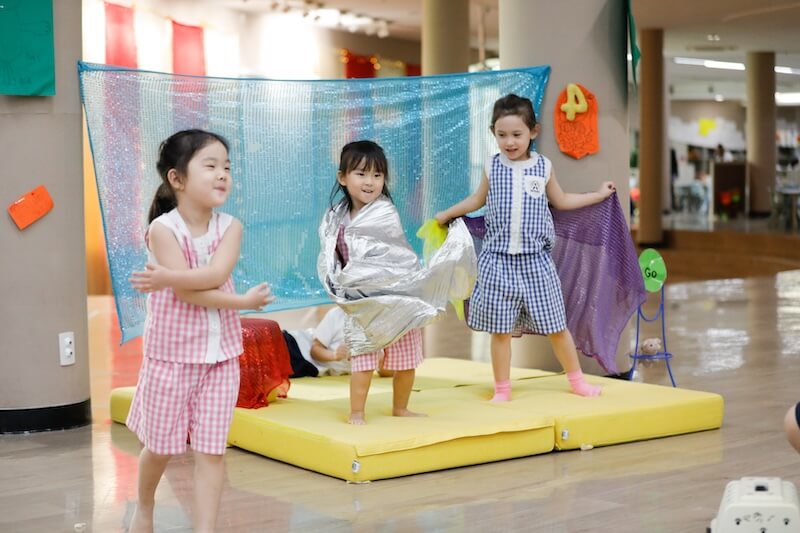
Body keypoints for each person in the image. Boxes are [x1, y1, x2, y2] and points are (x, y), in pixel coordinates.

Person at [126, 129, 273, 533]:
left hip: (221, 357)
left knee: (212, 451)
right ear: (177, 179)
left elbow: (213, 275)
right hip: (172, 358)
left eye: (226, 166)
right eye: (210, 166)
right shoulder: (163, 230)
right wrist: (241, 302)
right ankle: (144, 507)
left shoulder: (231, 226)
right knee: (160, 446)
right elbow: (192, 293)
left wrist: (170, 277)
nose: (222, 174)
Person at [435, 94, 615, 402]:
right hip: (498, 261)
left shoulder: (543, 167)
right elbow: (477, 200)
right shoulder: (493, 166)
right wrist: (448, 213)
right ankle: (502, 389)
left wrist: (597, 196)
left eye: (517, 134)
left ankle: (577, 381)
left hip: (536, 262)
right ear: (493, 133)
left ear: (533, 132)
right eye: (502, 135)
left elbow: (562, 201)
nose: (509, 142)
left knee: (557, 326)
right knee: (500, 330)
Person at [319, 140, 427, 425]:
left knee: (405, 360)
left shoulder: (384, 212)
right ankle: (357, 412)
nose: (370, 182)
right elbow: (333, 255)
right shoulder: (335, 217)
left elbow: (396, 256)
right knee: (363, 359)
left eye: (377, 175)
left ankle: (401, 407)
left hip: (396, 297)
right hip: (362, 301)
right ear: (342, 177)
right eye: (361, 174)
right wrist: (340, 286)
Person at [283, 306, 393, 378]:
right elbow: (314, 350)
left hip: (308, 368)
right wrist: (334, 355)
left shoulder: (379, 326)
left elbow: (388, 372)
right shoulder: (338, 314)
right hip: (297, 345)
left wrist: (381, 360)